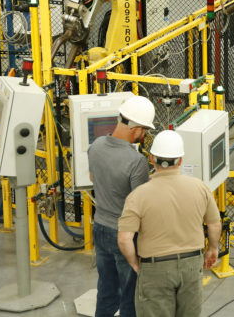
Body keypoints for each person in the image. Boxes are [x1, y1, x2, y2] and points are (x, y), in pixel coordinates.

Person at [117, 130, 222, 317]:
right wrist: (212, 249)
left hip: (155, 267)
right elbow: (214, 224)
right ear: (180, 160)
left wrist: (134, 263)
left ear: (152, 158)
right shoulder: (200, 187)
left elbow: (125, 239)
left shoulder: (138, 195)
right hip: (192, 265)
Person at [88, 95, 156, 317]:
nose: (144, 135)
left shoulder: (96, 146)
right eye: (144, 130)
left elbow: (93, 177)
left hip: (99, 227)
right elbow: (141, 203)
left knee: (107, 291)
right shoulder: (136, 161)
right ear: (136, 130)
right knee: (130, 294)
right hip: (125, 235)